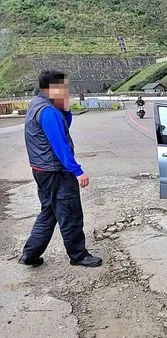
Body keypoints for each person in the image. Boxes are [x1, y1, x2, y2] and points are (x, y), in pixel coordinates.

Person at [19, 71, 102, 268]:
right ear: (52, 88)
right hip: (56, 172)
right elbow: (60, 145)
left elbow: (64, 125)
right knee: (70, 213)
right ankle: (78, 255)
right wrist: (77, 171)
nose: (66, 91)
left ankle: (30, 254)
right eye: (63, 87)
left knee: (49, 212)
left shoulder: (37, 105)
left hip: (41, 171)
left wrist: (64, 108)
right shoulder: (47, 112)